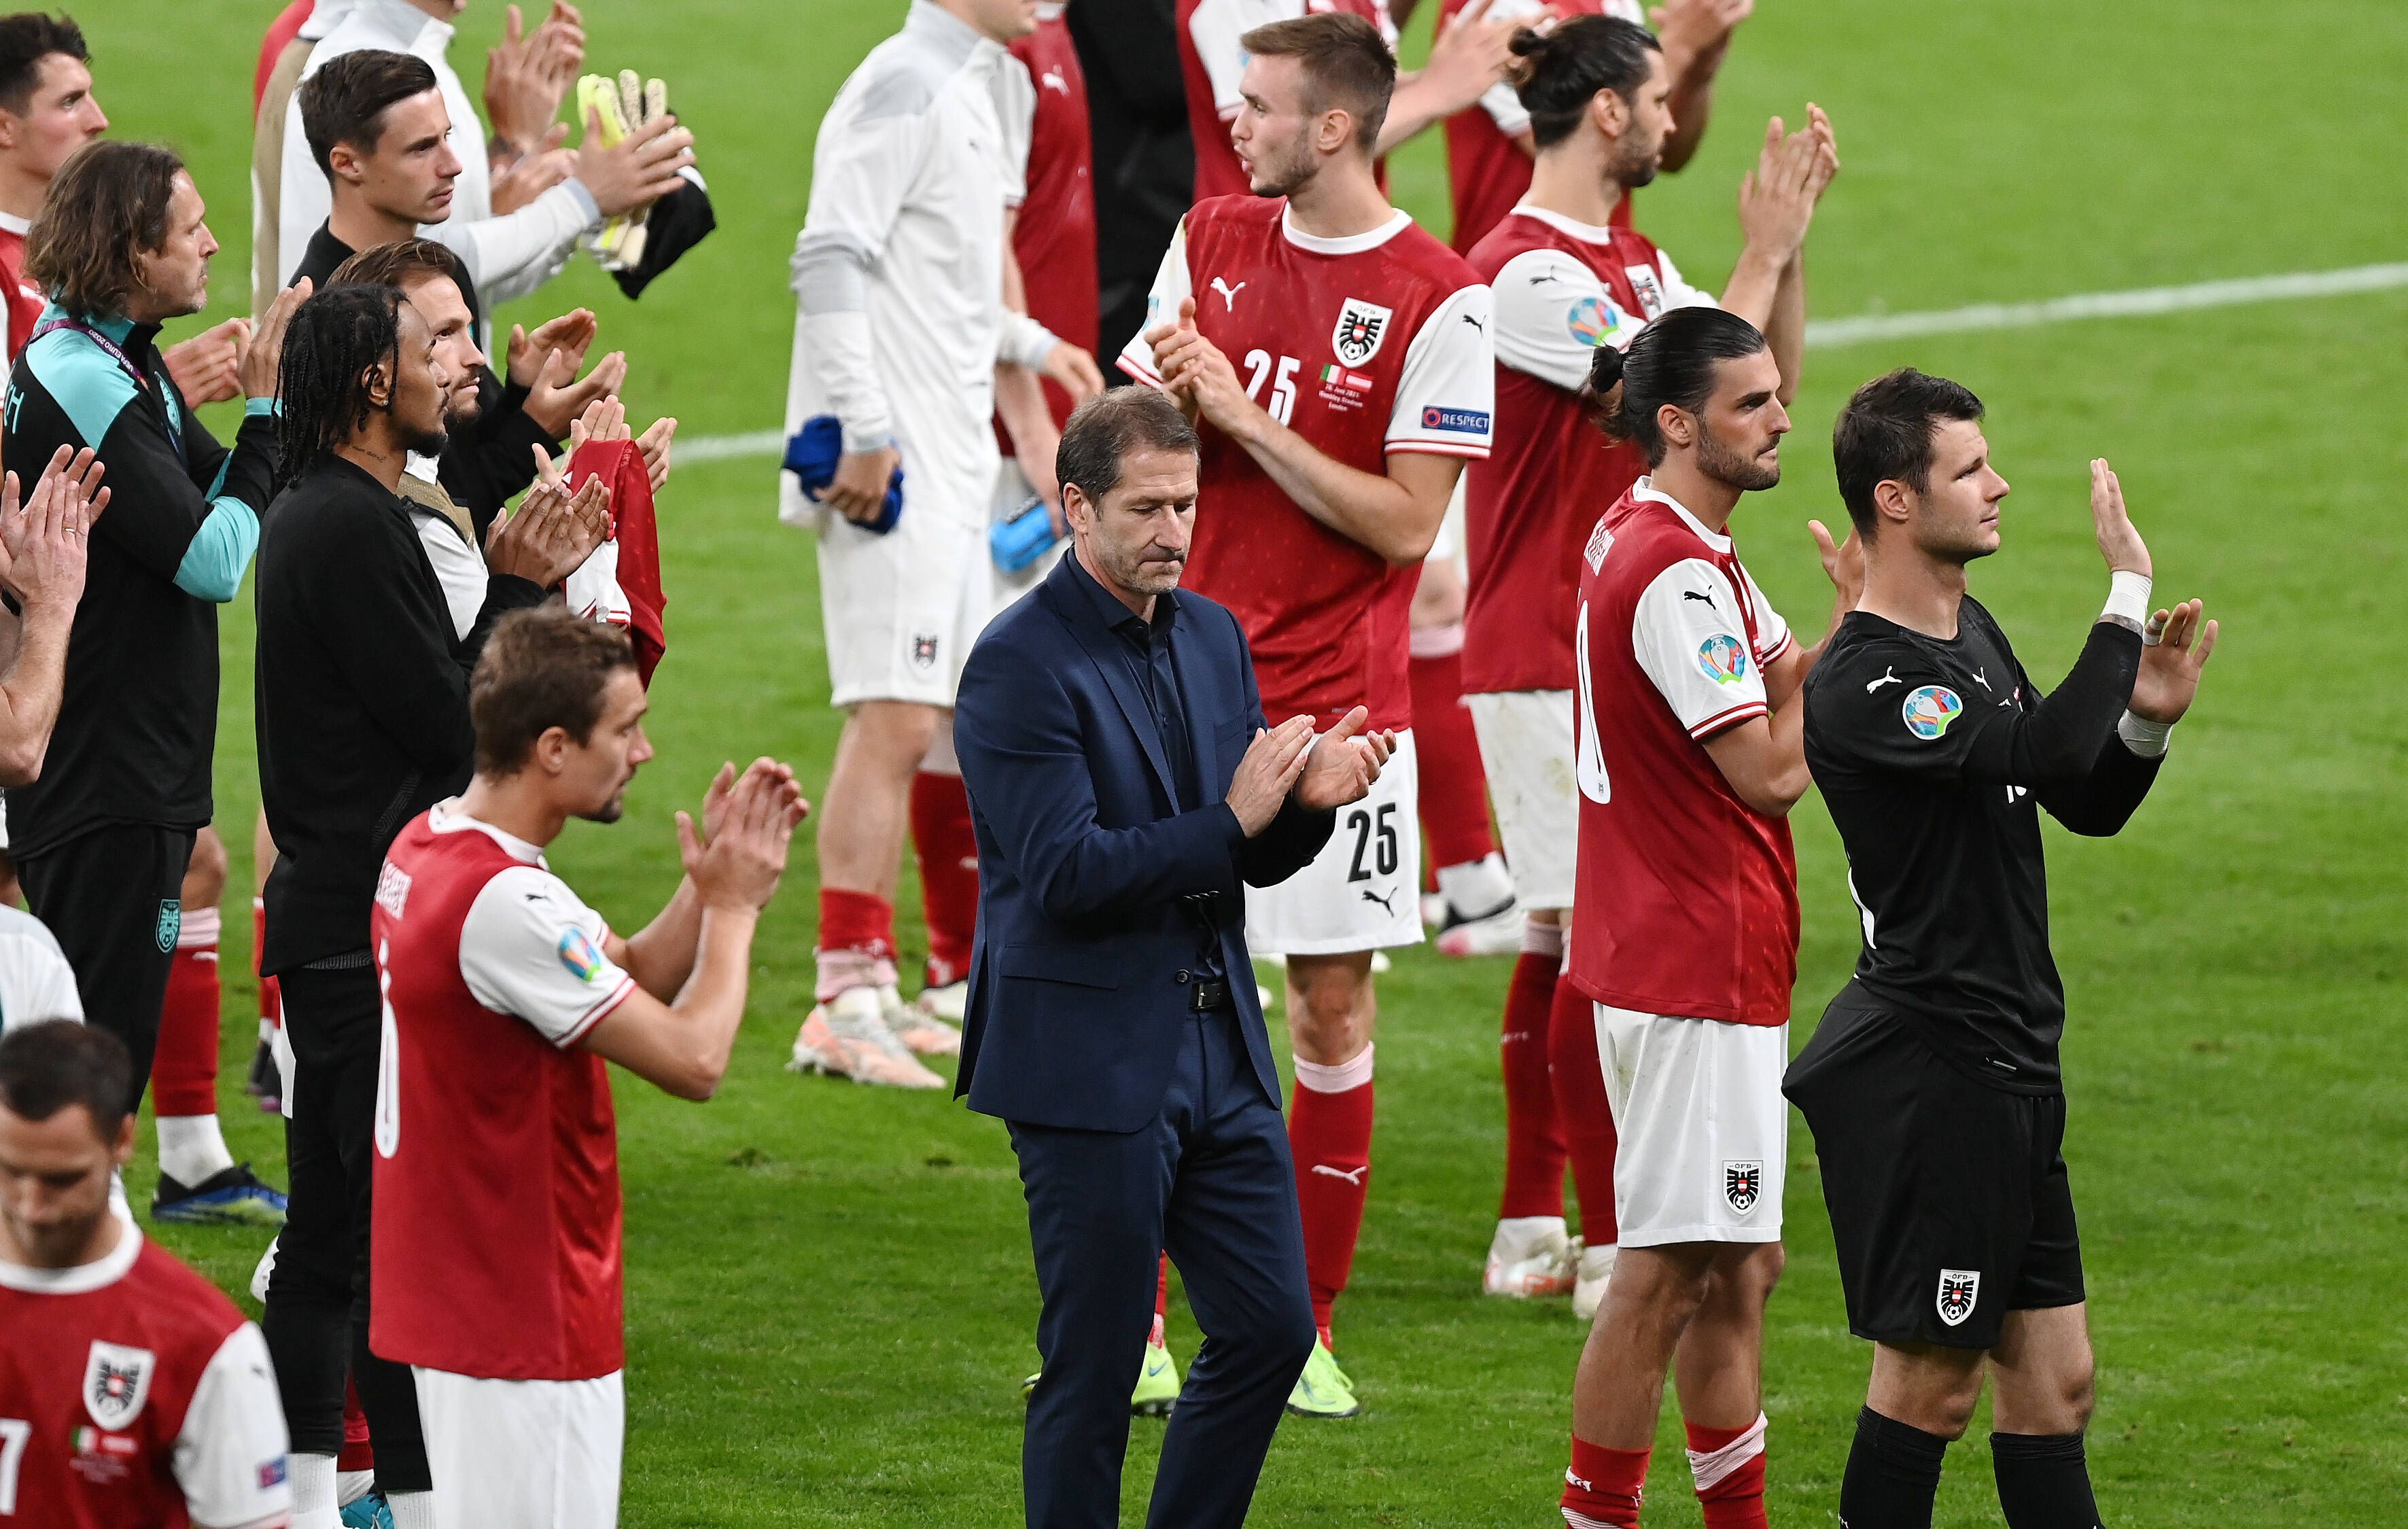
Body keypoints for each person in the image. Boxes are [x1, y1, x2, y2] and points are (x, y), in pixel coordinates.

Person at [1119, 10, 1495, 1417]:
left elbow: (1404, 526)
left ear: (1333, 126)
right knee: (1160, 1005)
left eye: (1261, 105)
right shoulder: (1207, 240)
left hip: (1344, 716)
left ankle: (1305, 1334)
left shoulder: (1439, 295)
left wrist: (1239, 415)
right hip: (1181, 698)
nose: (1235, 123)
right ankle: (1143, 1324)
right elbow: (1136, 442)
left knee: (1327, 1009)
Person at [1785, 372, 2216, 1529]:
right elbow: (2028, 736)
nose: (1998, 484)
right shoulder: (1867, 678)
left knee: (2053, 1389)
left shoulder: (1962, 629)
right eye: (1968, 470)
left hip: (2011, 1060)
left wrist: (2142, 724)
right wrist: (2123, 587)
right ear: (1892, 498)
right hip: (1935, 1076)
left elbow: (2073, 791)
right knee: (1927, 1389)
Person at [954, 387, 1390, 1528]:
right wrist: (1239, 821)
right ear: (1073, 509)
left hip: (1216, 1048)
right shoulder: (1014, 665)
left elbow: (1236, 856)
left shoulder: (1209, 634)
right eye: (1146, 507)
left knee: (1269, 1328)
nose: (1174, 530)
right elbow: (1065, 873)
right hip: (1087, 1061)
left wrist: (1306, 808)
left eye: (1186, 504)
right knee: (1094, 1369)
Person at [1459, 15, 1832, 1316]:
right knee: (1570, 938)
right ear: (1608, 113)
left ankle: (1545, 1220)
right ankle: (1589, 1232)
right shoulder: (1519, 272)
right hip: (1539, 639)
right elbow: (1648, 401)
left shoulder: (1636, 255)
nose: (1677, 120)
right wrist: (1758, 249)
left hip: (1628, 638)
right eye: (1661, 98)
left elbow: (1756, 377)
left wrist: (1782, 255)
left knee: (1572, 936)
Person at [254, 281, 606, 1529]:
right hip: (357, 927)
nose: (461, 361)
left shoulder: (341, 510)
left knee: (343, 1230)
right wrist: (515, 590)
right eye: (439, 342)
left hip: (342, 916)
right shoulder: (347, 528)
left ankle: (347, 1493)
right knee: (362, 1241)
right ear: (367, 379)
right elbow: (452, 730)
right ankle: (365, 1498)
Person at [370, 608, 804, 1529]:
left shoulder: (434, 845)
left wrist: (701, 880)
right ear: (556, 747)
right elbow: (693, 1058)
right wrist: (734, 911)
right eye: (627, 728)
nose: (644, 751)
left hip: (454, 1292)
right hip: (523, 1308)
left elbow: (627, 971)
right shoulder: (505, 902)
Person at [1552, 306, 1858, 1529]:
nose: (1780, 417)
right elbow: (1769, 771)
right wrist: (1857, 669)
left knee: (1738, 1268)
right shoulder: (1676, 574)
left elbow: (1781, 671)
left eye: (1776, 393)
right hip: (1691, 963)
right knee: (1665, 1274)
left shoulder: (1672, 538)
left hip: (1673, 953)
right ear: (1675, 424)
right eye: (1750, 403)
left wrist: (1849, 626)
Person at [781, 0, 1102, 1089]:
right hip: (894, 467)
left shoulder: (986, 84)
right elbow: (828, 260)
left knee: (948, 718)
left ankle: (878, 984)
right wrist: (865, 432)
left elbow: (947, 285)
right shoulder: (900, 83)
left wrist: (1035, 342)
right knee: (896, 710)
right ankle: (838, 994)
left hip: (954, 461)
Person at [0, 141, 298, 1220]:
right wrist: (267, 422)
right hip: (106, 775)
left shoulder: (115, 358)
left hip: (135, 768)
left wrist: (285, 417)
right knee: (87, 1081)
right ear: (134, 251)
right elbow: (214, 556)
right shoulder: (80, 372)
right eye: (192, 229)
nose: (213, 243)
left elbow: (217, 485)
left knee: (90, 1069)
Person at [905, 0, 1105, 1035]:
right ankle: (956, 962)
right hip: (993, 428)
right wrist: (1036, 438)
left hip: (1029, 406)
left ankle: (994, 955)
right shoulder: (996, 52)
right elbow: (991, 257)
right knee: (965, 691)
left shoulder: (1041, 37)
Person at [0, 1020, 292, 1529]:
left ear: (122, 1140)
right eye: (9, 1170)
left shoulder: (207, 1346)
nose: (32, 1206)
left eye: (62, 1179)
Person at [277, 0, 687, 332]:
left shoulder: (413, 56)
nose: (451, 164)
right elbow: (401, 268)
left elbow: (464, 271)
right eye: (424, 147)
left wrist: (512, 156)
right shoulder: (359, 75)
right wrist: (582, 200)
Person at [1437, 0, 1749, 253]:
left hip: (1605, 260)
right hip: (1521, 264)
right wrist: (1680, 46)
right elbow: (1580, 141)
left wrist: (1699, 72)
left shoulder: (1614, 4)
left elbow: (1666, 154)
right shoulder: (1490, 8)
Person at [1176, 0, 1523, 203]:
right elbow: (1279, 139)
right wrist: (1435, 91)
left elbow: (1351, 91)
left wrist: (1461, 70)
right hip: (1259, 254)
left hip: (1334, 242)